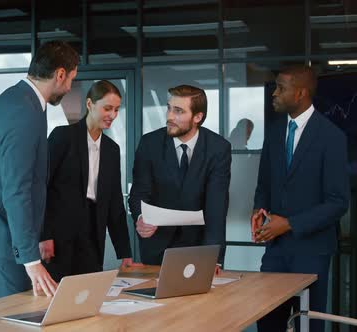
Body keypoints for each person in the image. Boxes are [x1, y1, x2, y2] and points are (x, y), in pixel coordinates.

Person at [0, 40, 79, 303]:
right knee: (8, 319)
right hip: (1, 241)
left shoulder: (22, 101)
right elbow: (17, 189)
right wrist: (30, 259)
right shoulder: (22, 111)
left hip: (0, 237)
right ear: (60, 74)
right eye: (71, 78)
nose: (70, 87)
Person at [252, 65, 349, 332]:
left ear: (301, 93)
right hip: (275, 253)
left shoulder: (332, 138)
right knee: (268, 323)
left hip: (312, 252)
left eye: (281, 88)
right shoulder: (272, 133)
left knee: (309, 325)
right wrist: (258, 210)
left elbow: (338, 202)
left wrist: (290, 223)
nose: (274, 93)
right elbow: (264, 185)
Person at [39, 80, 141, 282]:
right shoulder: (62, 137)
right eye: (107, 108)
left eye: (117, 110)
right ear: (89, 105)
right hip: (59, 235)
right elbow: (42, 187)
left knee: (86, 295)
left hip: (93, 233)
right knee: (53, 297)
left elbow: (114, 204)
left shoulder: (112, 149)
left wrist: (125, 253)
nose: (112, 115)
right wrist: (43, 235)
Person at [128, 85, 231, 269]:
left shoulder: (218, 148)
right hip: (156, 247)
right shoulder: (149, 143)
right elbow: (139, 192)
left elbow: (217, 206)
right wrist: (141, 217)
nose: (169, 117)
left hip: (199, 247)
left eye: (178, 111)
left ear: (197, 117)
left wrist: (213, 257)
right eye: (169, 108)